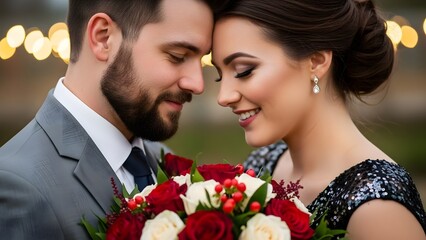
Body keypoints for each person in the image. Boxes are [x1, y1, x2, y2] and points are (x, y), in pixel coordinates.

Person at [0, 0, 221, 238]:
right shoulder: (19, 188)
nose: (197, 84)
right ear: (103, 37)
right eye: (177, 56)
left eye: (201, 59)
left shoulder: (162, 160)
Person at [212, 0, 426, 239]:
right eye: (220, 76)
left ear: (316, 61)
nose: (224, 97)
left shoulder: (378, 209)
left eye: (243, 70)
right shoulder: (263, 166)